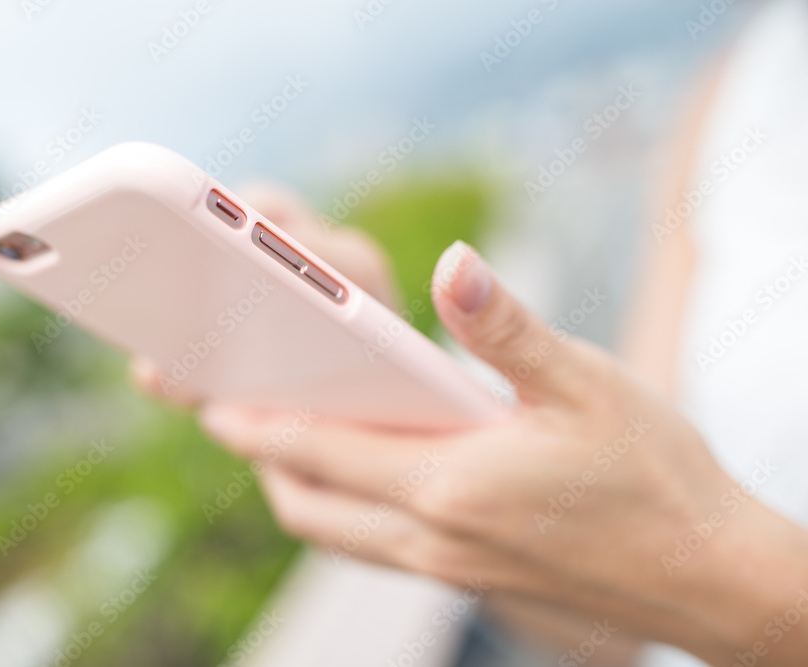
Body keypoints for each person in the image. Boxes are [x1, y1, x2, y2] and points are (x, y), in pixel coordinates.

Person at [135, 1, 808, 663]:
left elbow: (692, 588)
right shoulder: (737, 84)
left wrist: (716, 573)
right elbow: (629, 630)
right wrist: (395, 407)